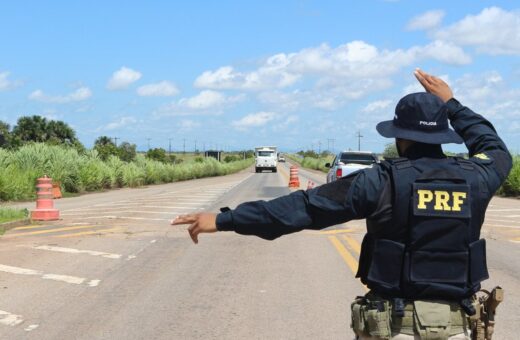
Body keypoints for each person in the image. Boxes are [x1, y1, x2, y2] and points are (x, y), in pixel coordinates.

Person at [172, 69, 512, 340]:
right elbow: (493, 147)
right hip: (459, 327)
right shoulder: (478, 176)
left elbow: (301, 209)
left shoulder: (382, 181)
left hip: (392, 327)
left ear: (399, 135)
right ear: (443, 134)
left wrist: (224, 219)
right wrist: (452, 103)